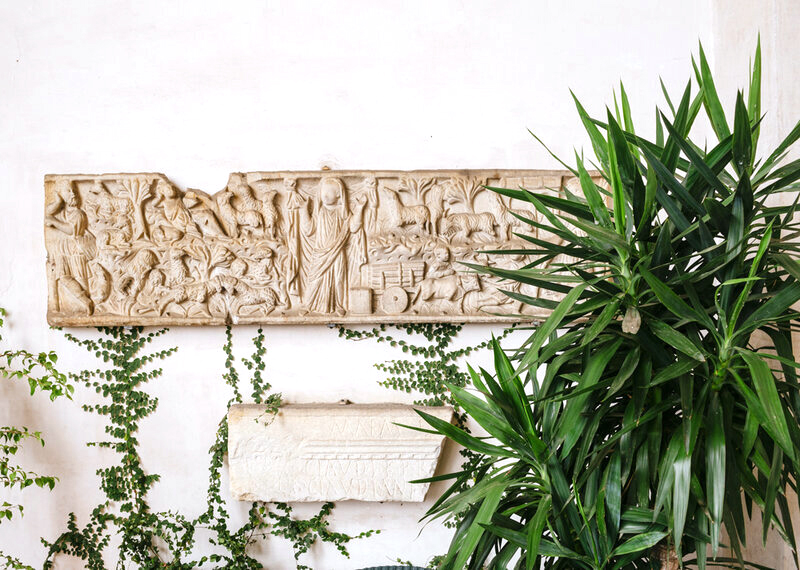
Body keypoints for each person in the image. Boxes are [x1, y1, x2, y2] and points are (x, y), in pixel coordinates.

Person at [300, 177, 366, 315]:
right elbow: (308, 229)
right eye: (323, 192)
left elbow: (353, 227)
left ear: (338, 194)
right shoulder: (319, 211)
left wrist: (359, 209)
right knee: (314, 279)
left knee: (338, 280)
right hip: (320, 254)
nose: (325, 195)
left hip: (337, 253)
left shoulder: (342, 212)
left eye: (329, 192)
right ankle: (308, 305)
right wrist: (303, 210)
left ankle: (339, 305)